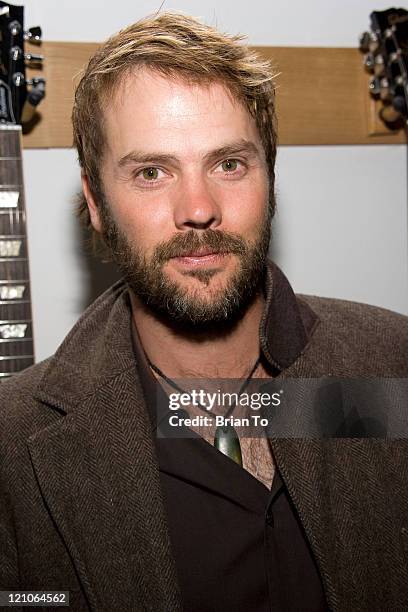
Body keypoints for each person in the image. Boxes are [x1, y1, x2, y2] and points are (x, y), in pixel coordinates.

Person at [0, 11, 407, 612]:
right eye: (151, 172)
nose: (198, 208)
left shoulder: (391, 364)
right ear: (95, 201)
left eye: (228, 164)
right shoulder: (15, 444)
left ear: (270, 176)